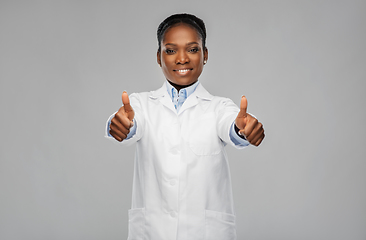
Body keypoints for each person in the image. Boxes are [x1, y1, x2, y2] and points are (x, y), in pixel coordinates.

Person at [105, 13, 265, 240]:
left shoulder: (218, 107)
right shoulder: (141, 104)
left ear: (205, 54)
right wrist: (121, 125)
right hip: (153, 231)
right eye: (170, 50)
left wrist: (243, 129)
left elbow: (230, 124)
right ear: (159, 57)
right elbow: (131, 122)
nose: (182, 58)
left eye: (192, 49)